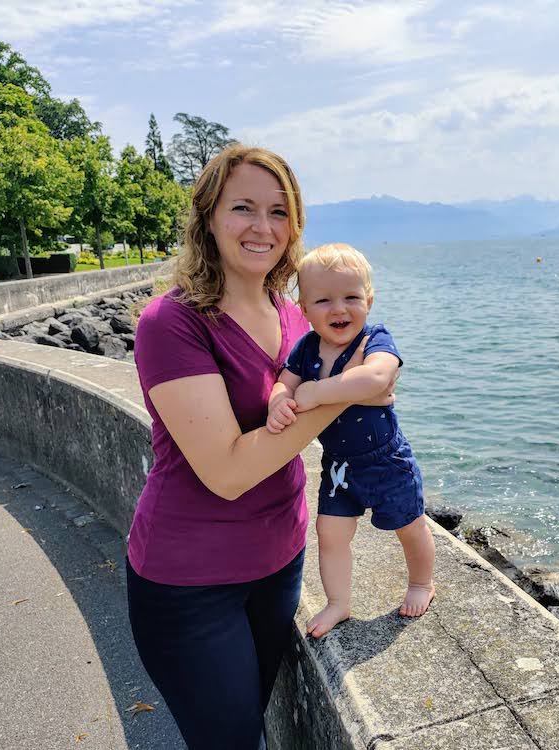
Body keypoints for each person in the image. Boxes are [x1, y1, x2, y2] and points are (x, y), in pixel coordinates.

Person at [125, 145, 395, 750]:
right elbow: (226, 470)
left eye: (280, 211)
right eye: (243, 207)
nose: (263, 227)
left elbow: (363, 384)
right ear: (208, 218)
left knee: (252, 724)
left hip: (278, 562)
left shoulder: (295, 314)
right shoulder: (172, 323)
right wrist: (348, 392)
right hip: (190, 580)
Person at [266, 243, 435, 638]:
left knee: (410, 526)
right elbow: (283, 384)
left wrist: (317, 392)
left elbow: (379, 379)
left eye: (351, 297)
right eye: (323, 300)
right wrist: (279, 402)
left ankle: (421, 583)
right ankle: (339, 602)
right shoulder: (307, 348)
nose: (338, 309)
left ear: (369, 301)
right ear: (304, 310)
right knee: (330, 533)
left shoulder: (374, 339)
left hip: (386, 460)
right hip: (340, 465)